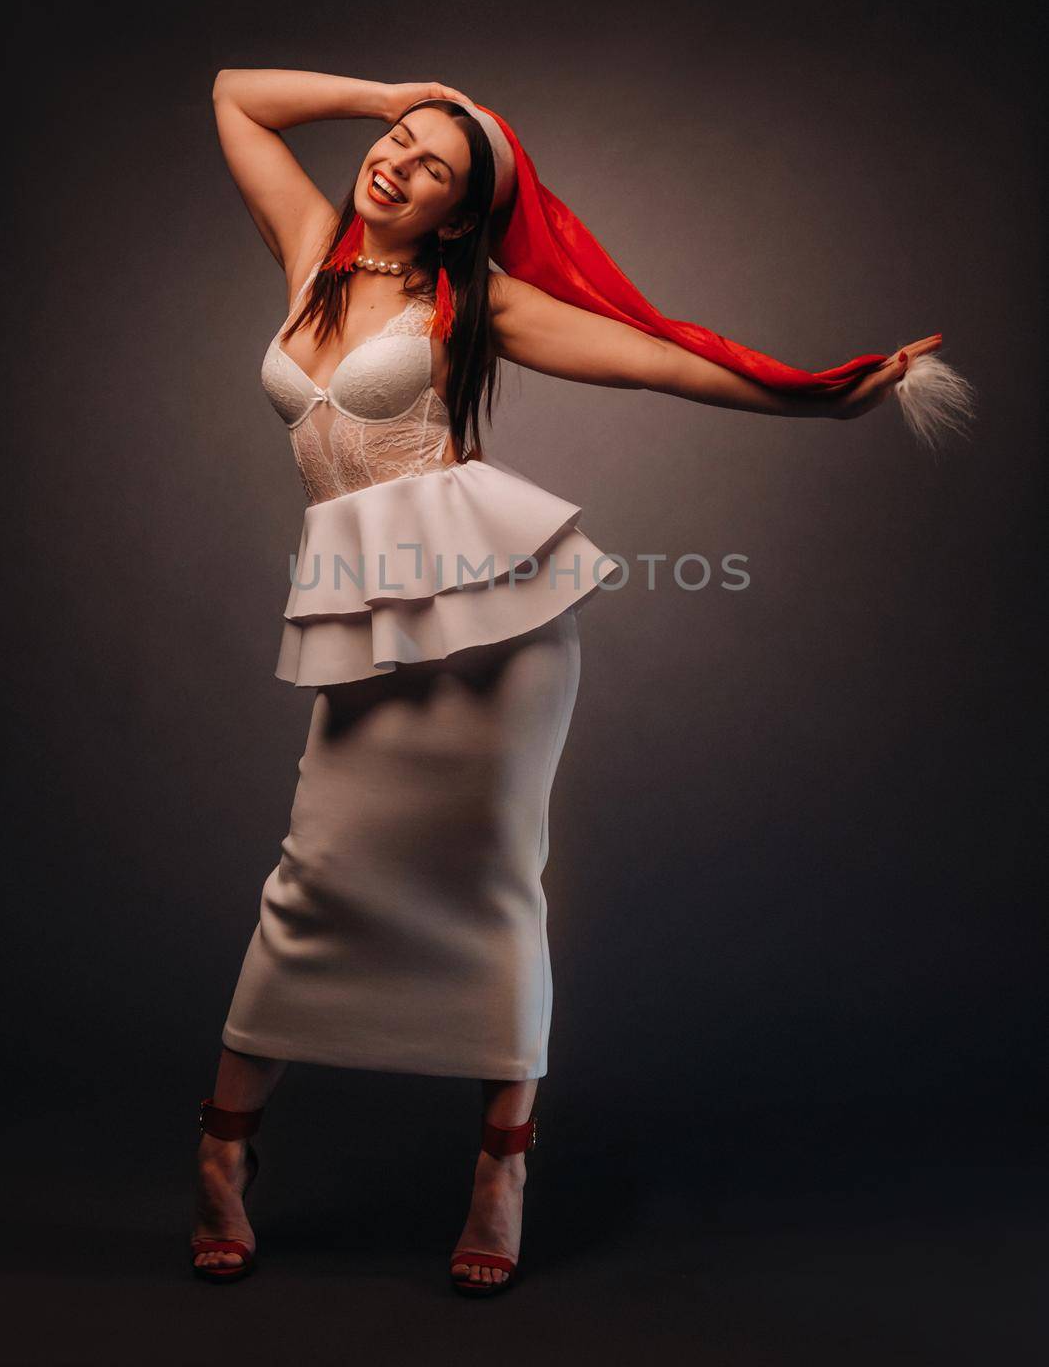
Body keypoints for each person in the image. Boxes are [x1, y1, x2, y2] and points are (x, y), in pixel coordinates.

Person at [190, 68, 949, 1294]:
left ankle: (502, 1159)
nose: (392, 157)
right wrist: (392, 86)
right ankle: (224, 1150)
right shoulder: (309, 246)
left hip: (495, 614)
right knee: (315, 867)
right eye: (394, 138)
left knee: (496, 872)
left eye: (430, 163)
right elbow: (235, 96)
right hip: (365, 612)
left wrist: (815, 400)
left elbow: (657, 362)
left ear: (455, 213)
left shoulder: (474, 298)